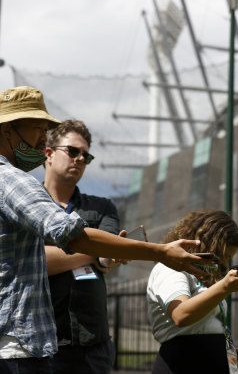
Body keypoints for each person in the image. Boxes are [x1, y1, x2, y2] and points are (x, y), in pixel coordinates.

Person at [0, 86, 209, 374]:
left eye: (86, 155)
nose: (41, 138)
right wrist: (160, 252)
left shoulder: (102, 206)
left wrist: (101, 250)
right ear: (8, 130)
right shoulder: (13, 182)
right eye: (37, 127)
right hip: (17, 349)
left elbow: (96, 253)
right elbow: (78, 238)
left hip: (84, 340)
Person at [43, 119, 122, 374]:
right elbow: (37, 261)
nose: (79, 159)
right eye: (73, 151)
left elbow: (107, 257)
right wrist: (96, 251)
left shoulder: (103, 207)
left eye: (85, 156)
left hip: (93, 344)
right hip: (41, 340)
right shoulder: (27, 206)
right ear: (49, 154)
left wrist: (109, 253)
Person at [147, 209, 238, 374]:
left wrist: (230, 355)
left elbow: (205, 328)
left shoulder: (205, 277)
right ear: (204, 243)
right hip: (181, 365)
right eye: (222, 255)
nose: (224, 264)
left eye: (228, 258)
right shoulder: (168, 268)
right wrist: (225, 286)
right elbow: (181, 315)